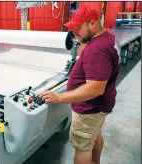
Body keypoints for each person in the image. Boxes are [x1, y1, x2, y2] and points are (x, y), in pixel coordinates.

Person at [37, 5, 120, 164]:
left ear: (93, 23)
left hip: (89, 109)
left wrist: (60, 97)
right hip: (100, 107)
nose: (74, 33)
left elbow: (95, 88)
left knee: (82, 149)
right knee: (95, 135)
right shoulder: (105, 38)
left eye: (78, 28)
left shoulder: (97, 49)